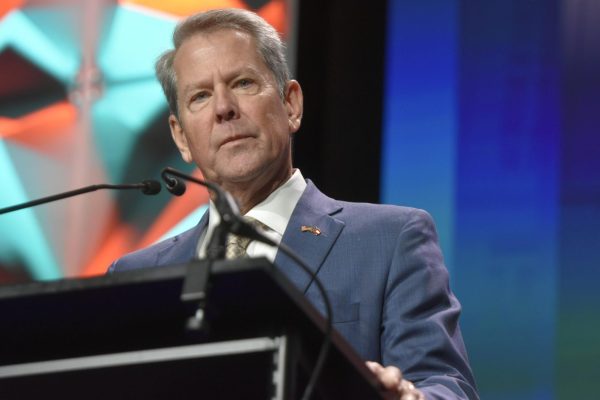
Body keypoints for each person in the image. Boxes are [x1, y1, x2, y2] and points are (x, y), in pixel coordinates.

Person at [109, 8, 478, 400]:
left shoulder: (390, 240)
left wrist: (406, 397)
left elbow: (447, 387)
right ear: (181, 137)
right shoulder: (139, 275)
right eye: (200, 96)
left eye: (243, 83)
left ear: (291, 105)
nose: (223, 108)